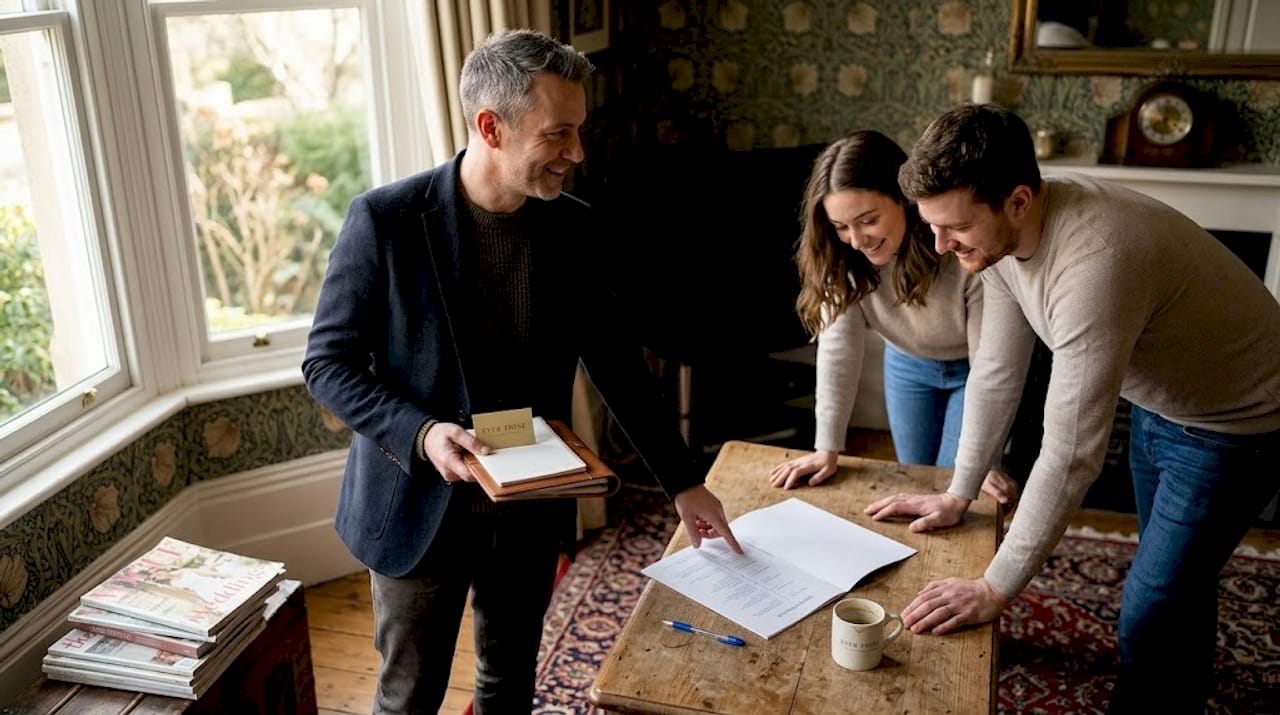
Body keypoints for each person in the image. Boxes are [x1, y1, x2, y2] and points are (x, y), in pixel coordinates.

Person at [301, 28, 742, 714]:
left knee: (509, 684)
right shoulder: (384, 221)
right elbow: (327, 363)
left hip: (532, 504)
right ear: (490, 127)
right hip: (418, 506)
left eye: (579, 130)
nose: (578, 152)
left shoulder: (575, 226)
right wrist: (423, 434)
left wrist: (683, 482)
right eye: (559, 134)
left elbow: (615, 366)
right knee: (407, 696)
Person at [865, 103, 1280, 715]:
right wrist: (960, 491)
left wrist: (993, 588)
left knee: (1151, 601)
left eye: (954, 228)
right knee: (1179, 586)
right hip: (1161, 404)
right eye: (930, 226)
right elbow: (996, 374)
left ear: (1018, 201)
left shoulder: (1095, 263)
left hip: (1237, 422)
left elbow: (1070, 453)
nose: (939, 245)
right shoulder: (998, 245)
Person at [767, 130, 1016, 505]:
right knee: (916, 484)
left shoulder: (961, 249)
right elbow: (839, 351)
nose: (856, 239)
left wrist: (983, 459)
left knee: (960, 488)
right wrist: (827, 448)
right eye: (840, 227)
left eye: (868, 220)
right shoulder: (844, 257)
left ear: (904, 200)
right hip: (907, 365)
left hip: (973, 372)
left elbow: (991, 366)